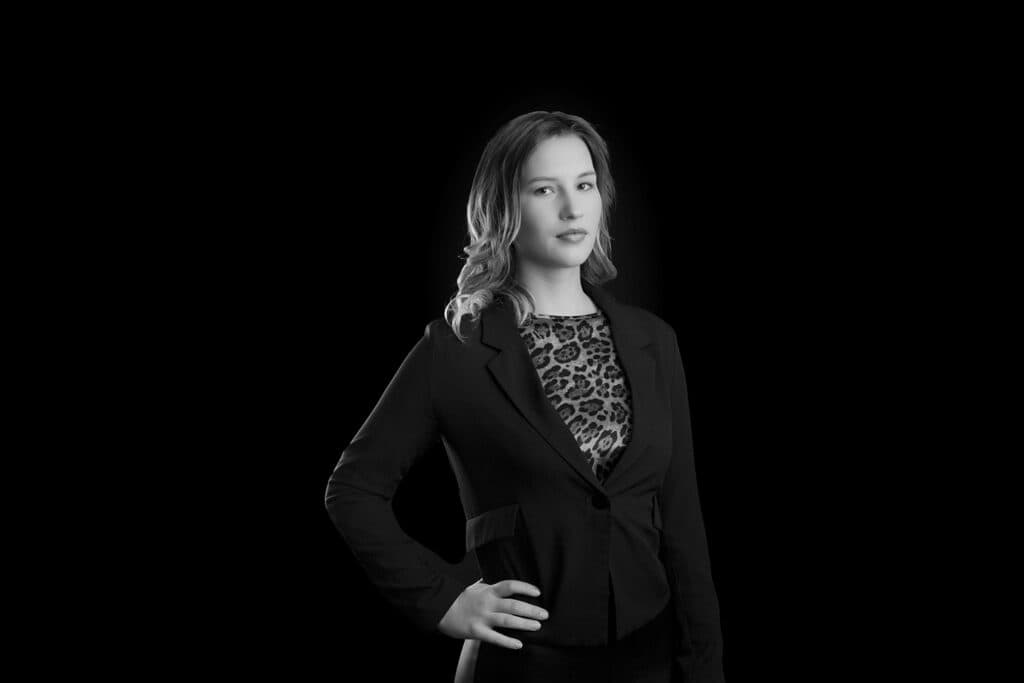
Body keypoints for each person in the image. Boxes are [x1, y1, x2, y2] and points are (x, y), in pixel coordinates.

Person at [324, 111, 725, 682]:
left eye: (584, 185)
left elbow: (685, 529)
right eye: (545, 189)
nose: (572, 208)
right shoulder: (456, 349)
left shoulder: (654, 342)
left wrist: (706, 670)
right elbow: (353, 490)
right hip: (523, 664)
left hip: (652, 657)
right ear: (505, 209)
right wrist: (444, 601)